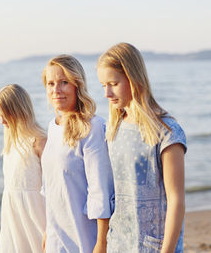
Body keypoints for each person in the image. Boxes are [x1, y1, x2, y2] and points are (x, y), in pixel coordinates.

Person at [96, 42, 186, 253]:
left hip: (154, 245)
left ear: (133, 78)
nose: (107, 93)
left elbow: (176, 200)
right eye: (103, 85)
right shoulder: (113, 128)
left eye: (113, 83)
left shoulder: (167, 131)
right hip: (118, 243)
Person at [40, 54, 114, 253]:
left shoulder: (93, 128)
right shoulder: (52, 126)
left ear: (77, 85)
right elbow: (50, 187)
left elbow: (100, 191)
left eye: (64, 82)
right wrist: (48, 231)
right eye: (51, 83)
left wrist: (102, 243)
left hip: (84, 237)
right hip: (57, 236)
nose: (56, 90)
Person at [0, 84, 47, 253]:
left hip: (34, 214)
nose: (1, 121)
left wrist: (50, 228)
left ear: (18, 111)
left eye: (5, 115)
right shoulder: (11, 141)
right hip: (12, 214)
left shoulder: (39, 141)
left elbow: (51, 186)